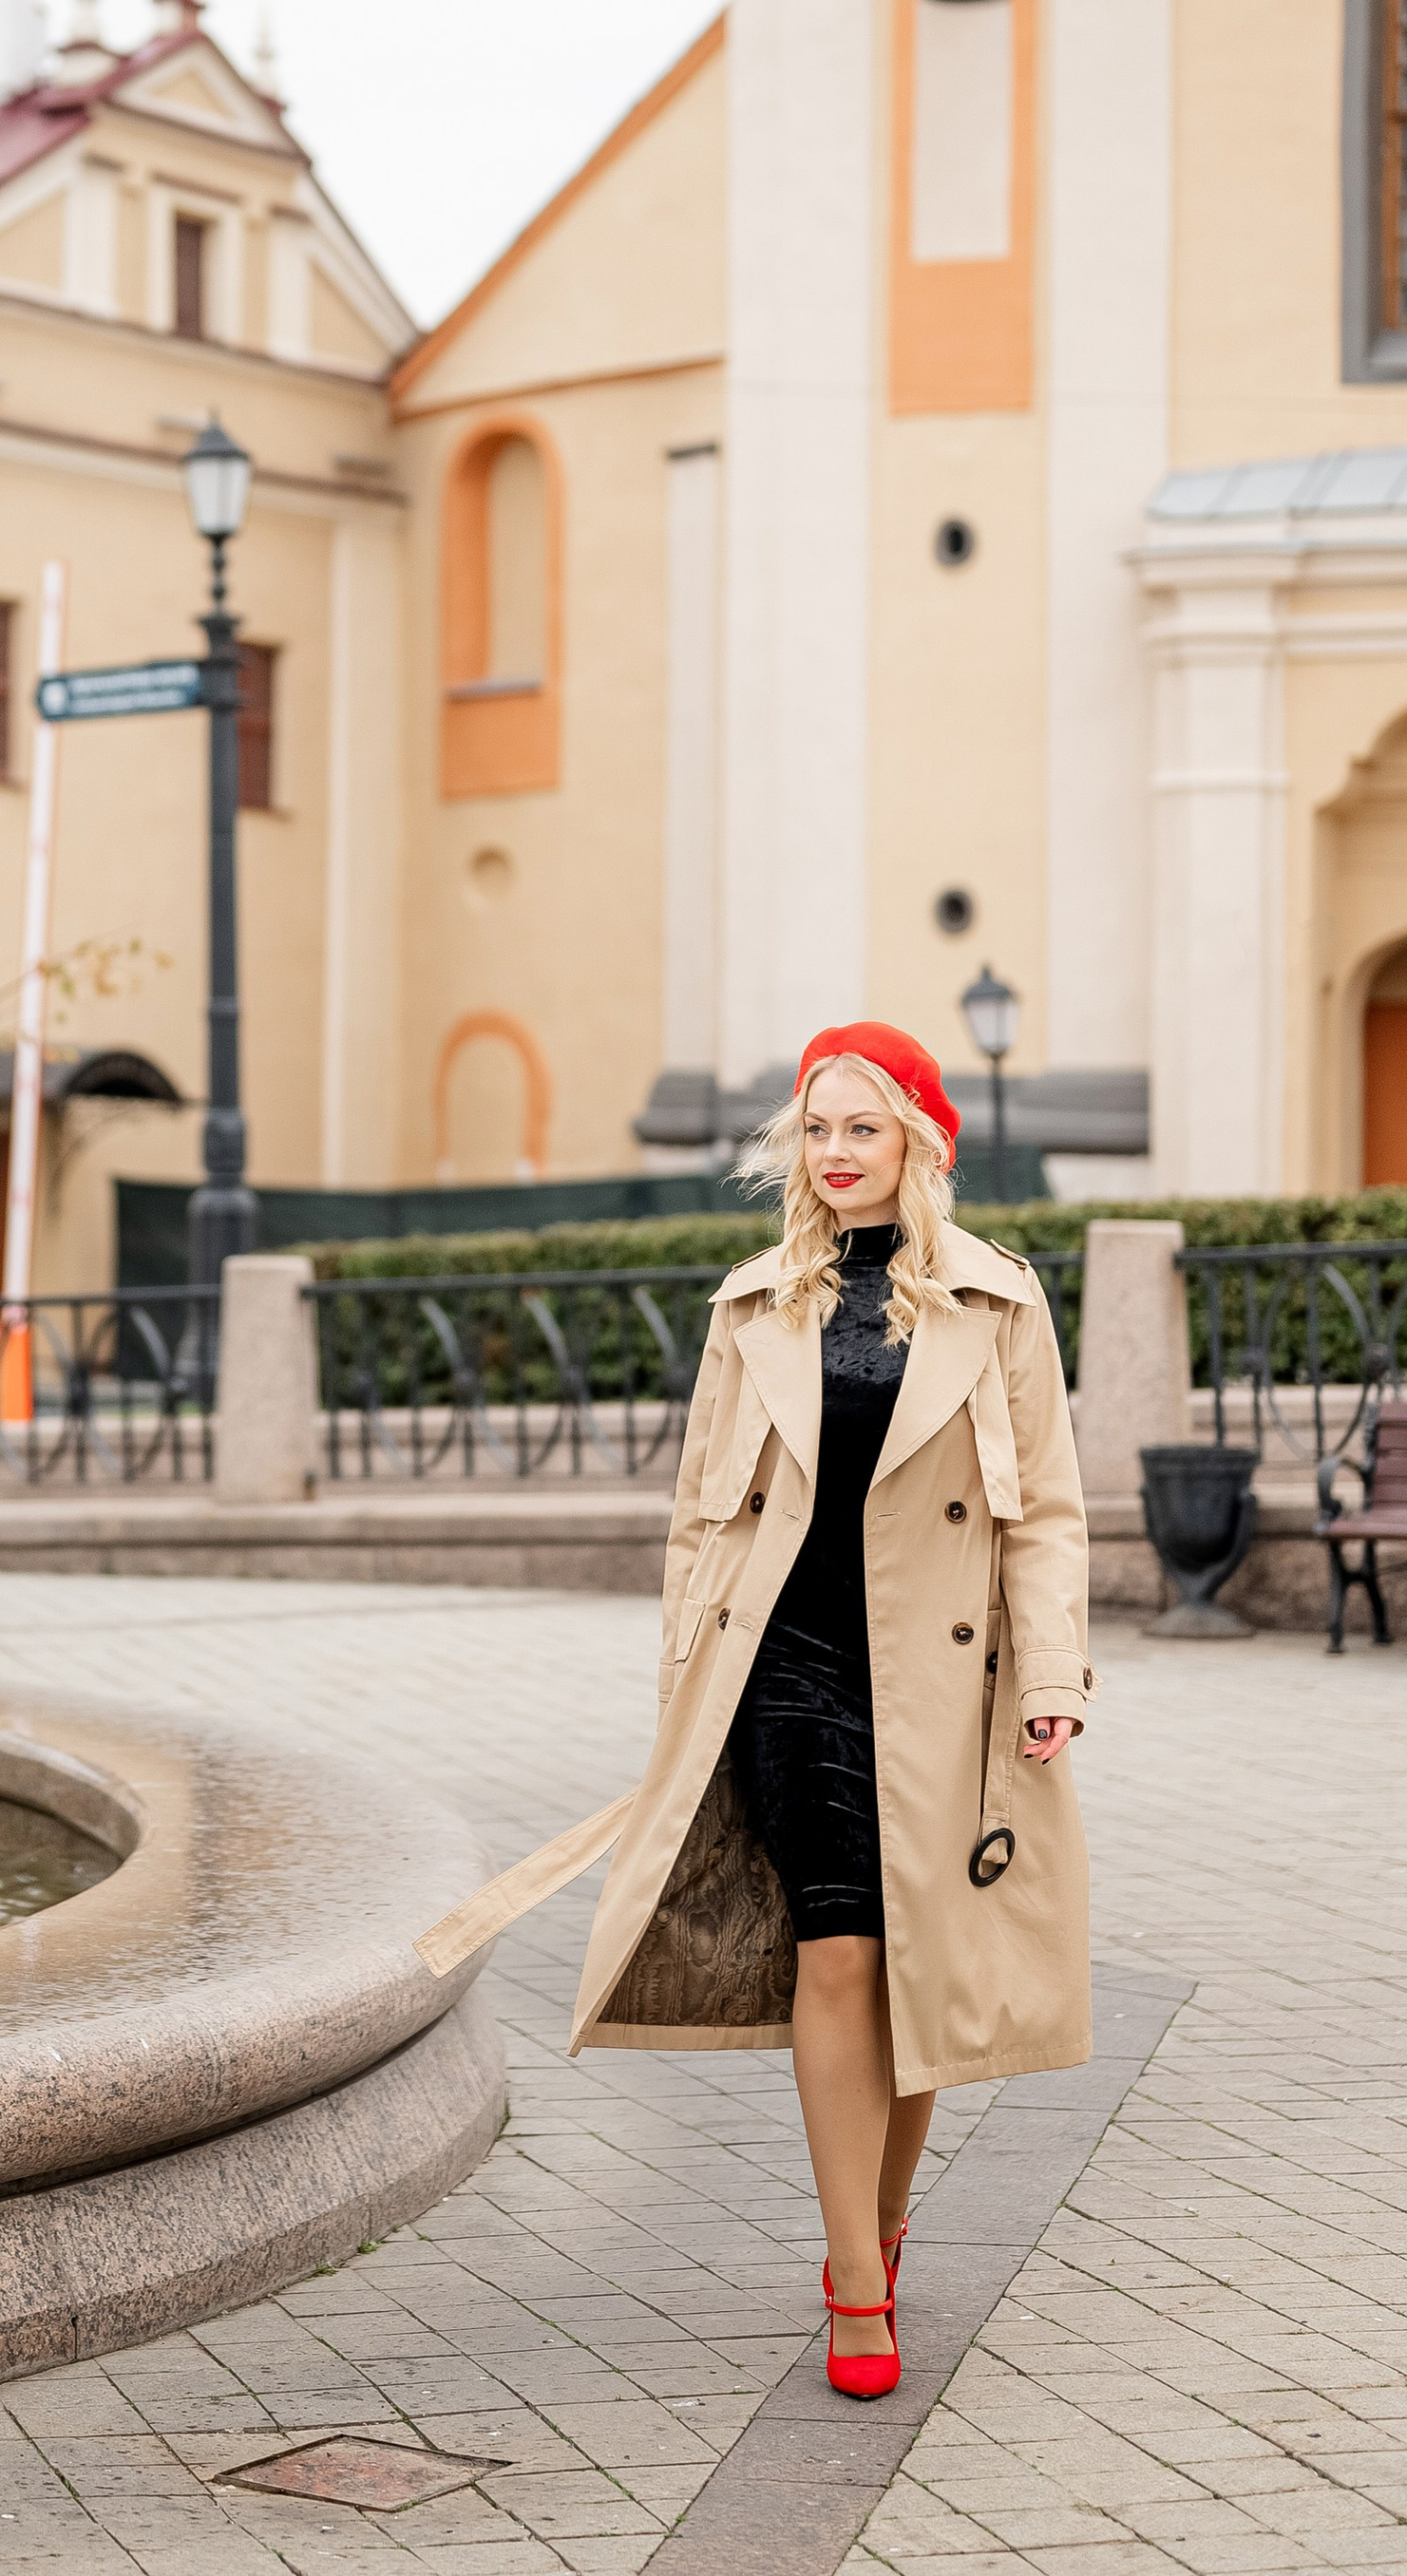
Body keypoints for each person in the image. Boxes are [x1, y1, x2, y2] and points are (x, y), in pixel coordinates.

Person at [418, 1021, 1093, 2402]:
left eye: (863, 1126)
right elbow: (696, 1519)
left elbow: (1054, 1521)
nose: (836, 1153)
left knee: (921, 1966)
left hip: (942, 1676)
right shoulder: (754, 1306)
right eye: (818, 1129)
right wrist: (686, 1687)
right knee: (838, 1949)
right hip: (785, 1667)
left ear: (919, 1139)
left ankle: (886, 2223)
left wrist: (1053, 1679)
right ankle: (856, 2278)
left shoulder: (999, 1304)